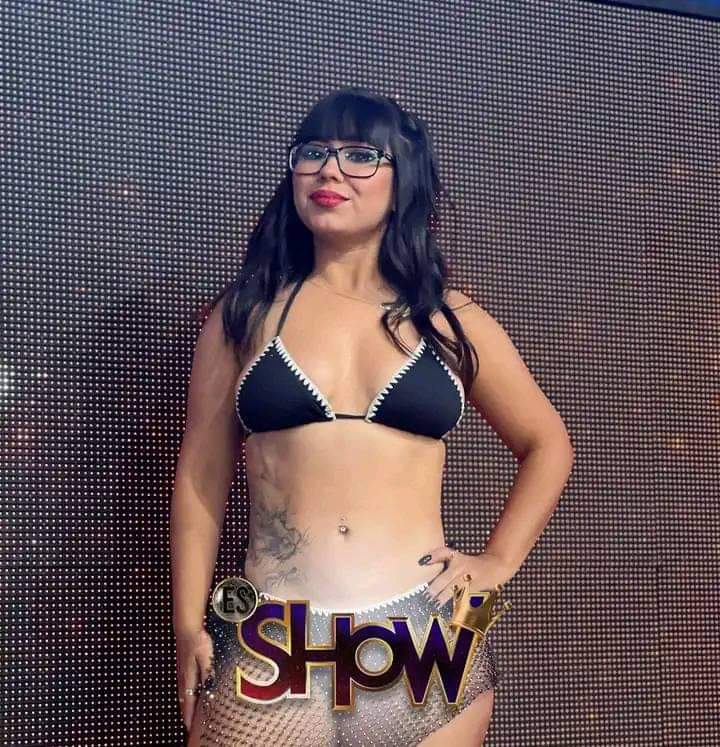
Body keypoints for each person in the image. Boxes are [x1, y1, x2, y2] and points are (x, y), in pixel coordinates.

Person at [171, 86, 575, 746]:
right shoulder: (243, 316)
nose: (329, 170)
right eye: (313, 152)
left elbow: (548, 442)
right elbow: (201, 473)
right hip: (275, 630)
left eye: (360, 155)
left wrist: (498, 561)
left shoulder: (450, 320)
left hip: (428, 629)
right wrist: (188, 624)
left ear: (402, 178)